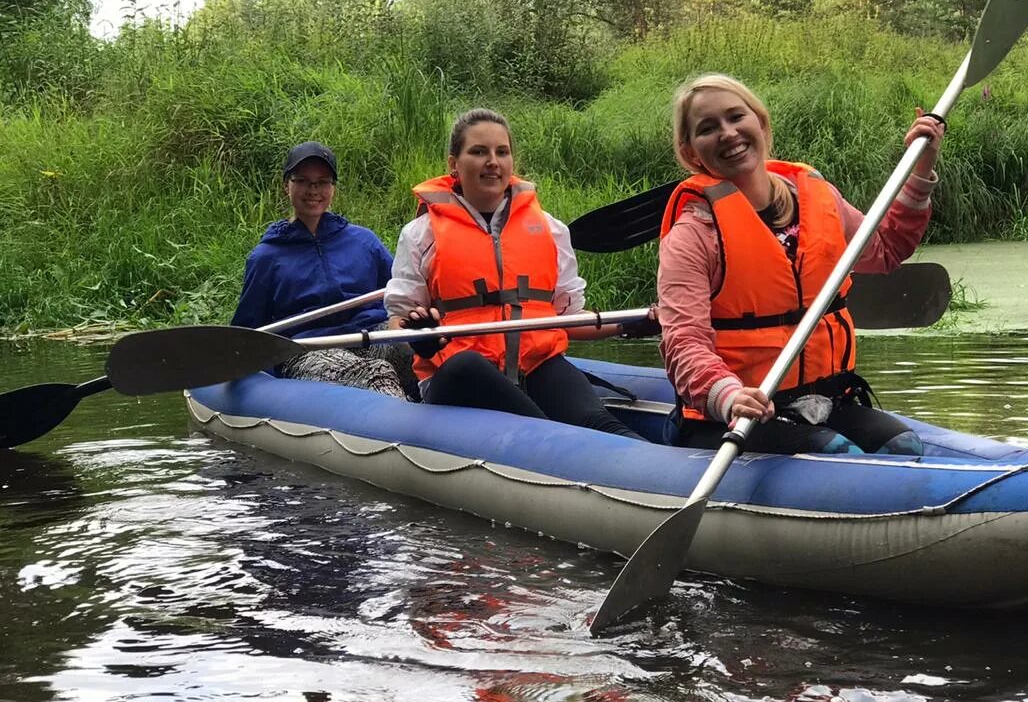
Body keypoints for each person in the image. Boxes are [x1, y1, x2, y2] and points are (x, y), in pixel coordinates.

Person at [657, 74, 945, 455]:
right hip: (742, 415)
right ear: (692, 152)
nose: (728, 133)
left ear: (760, 122)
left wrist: (921, 169)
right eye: (708, 128)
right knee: (842, 457)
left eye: (736, 117)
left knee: (905, 446)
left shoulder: (818, 198)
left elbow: (886, 248)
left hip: (828, 401)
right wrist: (728, 397)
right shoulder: (694, 233)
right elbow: (684, 342)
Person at [385, 109, 644, 440]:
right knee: (468, 365)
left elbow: (569, 319)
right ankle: (549, 440)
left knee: (598, 422)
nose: (492, 161)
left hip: (535, 364)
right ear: (454, 164)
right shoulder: (421, 235)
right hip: (457, 376)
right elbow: (397, 322)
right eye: (478, 152)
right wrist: (417, 337)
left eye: (501, 152)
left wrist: (633, 323)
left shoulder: (551, 230)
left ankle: (671, 480)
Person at [231, 141, 417, 400]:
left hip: (372, 334)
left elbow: (402, 296)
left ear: (333, 188)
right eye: (303, 181)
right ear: (287, 186)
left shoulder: (364, 241)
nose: (313, 190)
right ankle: (406, 432)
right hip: (307, 350)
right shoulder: (266, 258)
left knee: (421, 350)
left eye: (322, 182)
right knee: (376, 373)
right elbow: (248, 329)